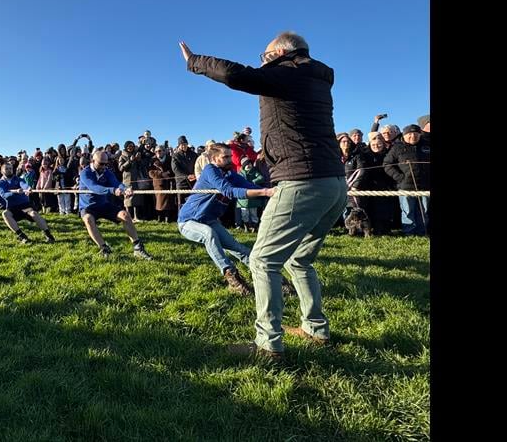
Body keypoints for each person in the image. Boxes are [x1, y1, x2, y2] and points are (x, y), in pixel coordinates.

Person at [180, 31, 347, 359]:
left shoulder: (287, 73)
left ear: (281, 52)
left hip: (302, 179)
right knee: (299, 260)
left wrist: (195, 62)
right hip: (333, 184)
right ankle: (316, 329)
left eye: (265, 55)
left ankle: (268, 345)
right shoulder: (314, 78)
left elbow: (234, 74)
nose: (262, 61)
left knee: (262, 260)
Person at [178, 143, 298, 297]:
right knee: (209, 234)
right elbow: (229, 191)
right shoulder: (210, 170)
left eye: (230, 156)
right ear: (214, 158)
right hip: (189, 221)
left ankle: (275, 280)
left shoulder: (230, 174)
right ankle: (231, 276)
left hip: (210, 220)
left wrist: (273, 189)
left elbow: (249, 186)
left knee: (239, 249)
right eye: (225, 157)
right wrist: (266, 192)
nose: (230, 160)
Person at [78, 150, 152, 260]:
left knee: (125, 215)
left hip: (103, 204)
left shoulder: (107, 172)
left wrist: (125, 189)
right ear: (93, 161)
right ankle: (104, 248)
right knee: (88, 219)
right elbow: (94, 187)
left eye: (106, 163)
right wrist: (113, 190)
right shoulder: (85, 173)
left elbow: (116, 183)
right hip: (88, 206)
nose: (104, 166)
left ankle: (138, 248)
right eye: (101, 163)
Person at [0, 164, 56, 244]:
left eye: (10, 168)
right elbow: (4, 194)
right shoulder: (0, 183)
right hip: (13, 207)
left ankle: (48, 235)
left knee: (34, 213)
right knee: (5, 214)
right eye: (6, 169)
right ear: (2, 171)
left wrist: (28, 188)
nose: (9, 170)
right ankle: (22, 236)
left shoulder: (18, 179)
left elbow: (23, 184)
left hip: (25, 205)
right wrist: (15, 192)